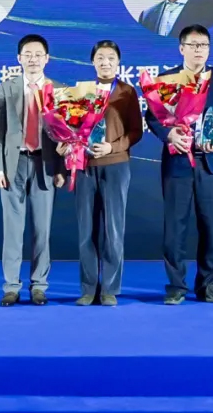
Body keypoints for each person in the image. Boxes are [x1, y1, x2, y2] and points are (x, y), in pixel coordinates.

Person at [145, 24, 213, 304]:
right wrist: (169, 135)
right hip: (177, 162)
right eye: (194, 45)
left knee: (211, 227)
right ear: (181, 48)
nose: (199, 50)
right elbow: (152, 117)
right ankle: (176, 286)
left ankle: (208, 285)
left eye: (204, 45)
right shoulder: (167, 79)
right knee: (175, 227)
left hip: (210, 163)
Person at [0, 34, 66, 306]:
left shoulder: (59, 90)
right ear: (19, 58)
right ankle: (11, 286)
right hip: (14, 165)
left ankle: (39, 286)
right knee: (13, 229)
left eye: (38, 54)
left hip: (46, 165)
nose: (33, 59)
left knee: (42, 230)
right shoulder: (6, 88)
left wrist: (62, 169)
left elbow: (65, 136)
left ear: (47, 58)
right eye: (28, 55)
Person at [68, 41, 143, 306]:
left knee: (113, 228)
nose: (105, 62)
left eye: (111, 58)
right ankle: (89, 288)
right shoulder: (80, 91)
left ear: (118, 62)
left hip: (116, 165)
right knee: (86, 229)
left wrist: (112, 146)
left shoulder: (126, 92)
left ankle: (109, 288)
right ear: (92, 62)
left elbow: (136, 131)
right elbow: (70, 126)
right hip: (86, 167)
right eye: (100, 57)